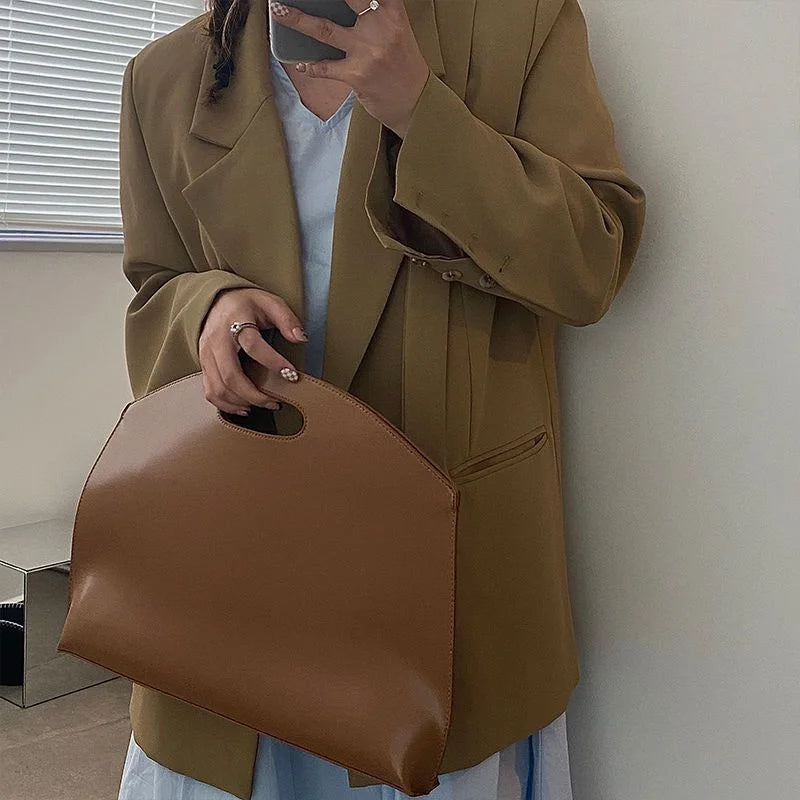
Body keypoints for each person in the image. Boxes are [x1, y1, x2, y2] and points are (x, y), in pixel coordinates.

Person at [114, 0, 647, 798]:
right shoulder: (164, 76)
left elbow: (589, 265)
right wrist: (209, 310)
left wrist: (418, 109)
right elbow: (156, 286)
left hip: (441, 561)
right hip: (236, 556)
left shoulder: (520, 23)